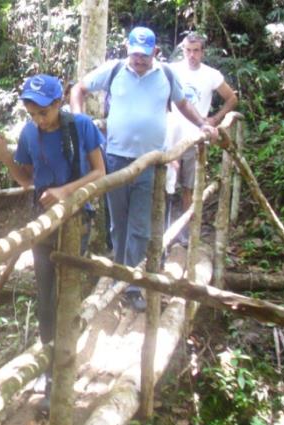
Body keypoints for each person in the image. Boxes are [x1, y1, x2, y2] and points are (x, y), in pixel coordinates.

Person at [70, 26, 217, 312]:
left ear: (155, 53)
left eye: (145, 56)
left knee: (139, 225)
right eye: (135, 54)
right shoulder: (113, 70)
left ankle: (132, 285)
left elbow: (183, 103)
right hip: (115, 160)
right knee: (118, 223)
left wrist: (202, 124)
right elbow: (79, 89)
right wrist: (79, 120)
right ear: (127, 49)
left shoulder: (165, 74)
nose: (139, 60)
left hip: (149, 162)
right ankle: (121, 273)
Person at [0, 74, 106, 404]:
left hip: (75, 220)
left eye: (43, 112)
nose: (39, 119)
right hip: (43, 222)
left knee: (65, 290)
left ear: (58, 103)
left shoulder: (81, 126)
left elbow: (100, 173)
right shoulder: (29, 133)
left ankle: (65, 361)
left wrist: (64, 192)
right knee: (44, 296)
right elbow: (26, 180)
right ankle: (49, 367)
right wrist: (4, 156)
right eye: (32, 113)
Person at [166, 32, 239, 236]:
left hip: (195, 136)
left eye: (196, 51)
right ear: (183, 50)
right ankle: (163, 230)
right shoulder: (172, 70)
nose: (191, 55)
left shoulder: (211, 75)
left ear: (202, 52)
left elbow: (231, 98)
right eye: (188, 51)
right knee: (165, 185)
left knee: (188, 187)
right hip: (171, 135)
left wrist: (215, 119)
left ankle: (187, 233)